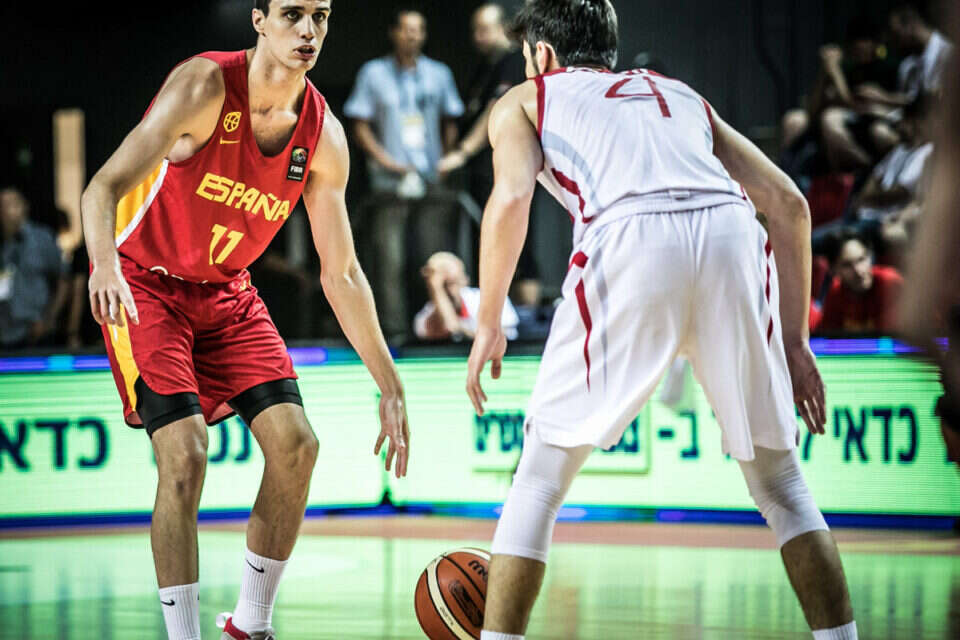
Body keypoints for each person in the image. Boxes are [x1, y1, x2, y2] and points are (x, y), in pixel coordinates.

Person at [465, 2, 857, 639]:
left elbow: (510, 198)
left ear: (541, 54)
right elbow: (789, 204)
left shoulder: (524, 99)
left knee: (537, 481)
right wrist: (795, 342)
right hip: (731, 233)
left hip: (629, 234)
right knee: (782, 485)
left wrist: (488, 321)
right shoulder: (678, 93)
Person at [80, 2, 410, 639]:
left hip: (227, 294)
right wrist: (104, 265)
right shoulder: (204, 86)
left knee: (297, 448)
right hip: (145, 285)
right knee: (185, 454)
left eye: (321, 16)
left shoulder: (323, 135)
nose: (308, 31)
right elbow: (102, 188)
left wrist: (389, 383)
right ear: (259, 19)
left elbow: (342, 273)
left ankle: (250, 625)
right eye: (293, 14)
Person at [344, 8, 464, 338]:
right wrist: (385, 161)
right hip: (389, 181)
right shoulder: (374, 73)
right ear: (394, 32)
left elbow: (450, 119)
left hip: (430, 177)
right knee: (389, 257)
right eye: (406, 29)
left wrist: (445, 159)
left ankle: (436, 327)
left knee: (433, 256)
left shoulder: (438, 73)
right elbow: (359, 124)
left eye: (418, 30)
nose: (412, 36)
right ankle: (393, 330)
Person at [438, 2, 541, 307]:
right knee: (492, 247)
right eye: (475, 30)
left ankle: (527, 322)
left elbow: (496, 110)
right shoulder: (485, 67)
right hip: (484, 173)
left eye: (485, 29)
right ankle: (499, 318)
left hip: (509, 169)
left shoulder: (514, 62)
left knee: (518, 249)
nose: (478, 37)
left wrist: (462, 153)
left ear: (503, 29)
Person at [0, 187, 68, 349]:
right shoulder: (4, 243)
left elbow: (63, 281)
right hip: (5, 330)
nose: (8, 210)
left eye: (12, 203)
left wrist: (49, 319)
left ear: (25, 206)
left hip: (36, 330)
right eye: (2, 205)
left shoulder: (42, 238)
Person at [414, 251, 518, 341]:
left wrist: (462, 330)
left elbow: (504, 336)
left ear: (465, 280)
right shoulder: (425, 317)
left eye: (453, 283)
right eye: (444, 286)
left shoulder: (491, 300)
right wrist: (437, 288)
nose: (450, 291)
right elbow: (450, 328)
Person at [817, 231, 903, 334]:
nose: (858, 271)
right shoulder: (835, 293)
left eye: (861, 259)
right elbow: (828, 338)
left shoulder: (891, 283)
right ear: (833, 270)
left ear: (871, 256)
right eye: (847, 265)